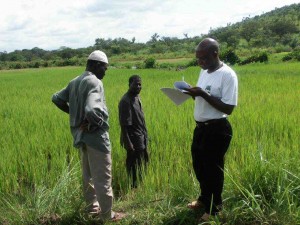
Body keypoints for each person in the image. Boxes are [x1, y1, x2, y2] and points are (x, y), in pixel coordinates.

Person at [52, 50, 125, 222]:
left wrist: (74, 116)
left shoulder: (75, 81)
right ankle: (107, 215)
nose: (105, 72)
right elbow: (92, 109)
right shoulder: (95, 81)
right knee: (103, 177)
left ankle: (92, 209)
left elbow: (56, 98)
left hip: (81, 137)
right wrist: (93, 122)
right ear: (96, 64)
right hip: (96, 138)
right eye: (105, 68)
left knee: (88, 175)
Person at [185, 38, 238, 222]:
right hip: (201, 128)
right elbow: (204, 97)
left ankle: (214, 209)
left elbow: (228, 108)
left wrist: (202, 94)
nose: (200, 62)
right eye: (198, 58)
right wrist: (193, 94)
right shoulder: (205, 72)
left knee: (213, 170)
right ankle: (204, 199)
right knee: (199, 166)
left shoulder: (228, 75)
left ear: (215, 53)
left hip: (217, 129)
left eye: (203, 58)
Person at [118, 75, 148, 188]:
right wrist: (128, 143)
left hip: (141, 136)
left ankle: (139, 186)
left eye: (140, 84)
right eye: (136, 84)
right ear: (129, 84)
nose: (138, 86)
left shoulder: (136, 97)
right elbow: (124, 125)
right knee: (133, 165)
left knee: (142, 163)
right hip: (133, 138)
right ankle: (133, 187)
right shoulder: (126, 101)